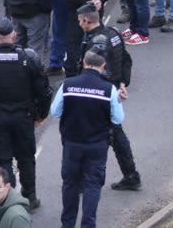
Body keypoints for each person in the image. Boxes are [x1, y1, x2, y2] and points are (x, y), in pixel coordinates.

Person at [0, 19, 53, 209]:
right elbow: (44, 91)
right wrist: (41, 114)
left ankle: (8, 201)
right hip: (24, 117)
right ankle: (30, 197)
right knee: (26, 157)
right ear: (14, 36)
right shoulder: (29, 57)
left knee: (2, 160)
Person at [50, 50, 123, 228]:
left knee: (70, 184)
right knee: (92, 185)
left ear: (84, 62)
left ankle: (67, 224)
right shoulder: (109, 89)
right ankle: (88, 224)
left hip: (72, 144)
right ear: (103, 65)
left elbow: (55, 111)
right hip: (97, 145)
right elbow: (118, 119)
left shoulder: (67, 85)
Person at [75, 3, 141, 192]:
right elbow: (126, 60)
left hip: (98, 94)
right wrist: (122, 83)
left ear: (86, 20)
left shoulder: (96, 43)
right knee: (116, 135)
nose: (79, 24)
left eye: (79, 21)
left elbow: (94, 71)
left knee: (93, 138)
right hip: (111, 90)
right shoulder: (114, 33)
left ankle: (89, 180)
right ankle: (130, 175)